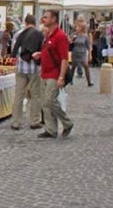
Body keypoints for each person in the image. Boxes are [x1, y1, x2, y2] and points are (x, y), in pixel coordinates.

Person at [34, 10, 74, 139]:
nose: (43, 19)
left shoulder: (60, 36)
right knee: (45, 103)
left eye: (46, 17)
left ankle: (67, 122)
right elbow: (50, 51)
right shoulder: (48, 35)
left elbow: (64, 58)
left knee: (50, 100)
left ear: (54, 19)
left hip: (54, 73)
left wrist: (61, 77)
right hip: (45, 72)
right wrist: (40, 54)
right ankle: (51, 130)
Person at [9, 14, 44, 130]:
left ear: (25, 22)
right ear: (35, 23)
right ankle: (34, 121)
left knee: (19, 95)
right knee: (35, 96)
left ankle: (16, 122)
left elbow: (13, 50)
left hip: (20, 68)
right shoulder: (39, 34)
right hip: (34, 68)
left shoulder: (17, 34)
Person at [70, 16, 93, 87]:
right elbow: (70, 43)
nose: (76, 28)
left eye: (78, 27)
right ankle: (70, 80)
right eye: (76, 27)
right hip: (75, 52)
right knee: (73, 67)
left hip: (82, 53)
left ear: (82, 28)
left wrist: (90, 55)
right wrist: (71, 40)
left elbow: (88, 46)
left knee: (86, 66)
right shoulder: (74, 35)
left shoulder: (85, 36)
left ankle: (89, 82)